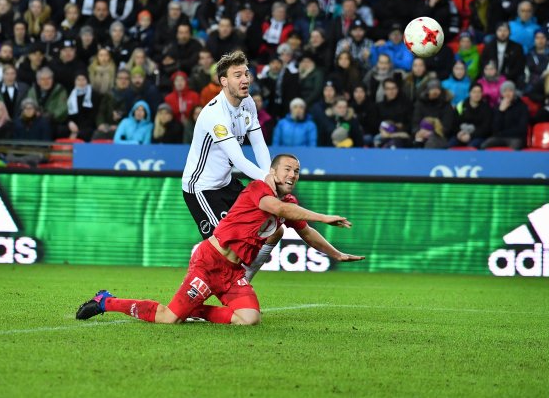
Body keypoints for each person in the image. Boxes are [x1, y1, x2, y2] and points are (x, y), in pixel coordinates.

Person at [76, 154, 364, 325]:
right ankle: (106, 301)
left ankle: (196, 309)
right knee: (169, 318)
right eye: (287, 169)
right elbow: (279, 209)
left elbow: (306, 232)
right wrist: (325, 216)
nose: (292, 174)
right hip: (209, 263)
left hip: (232, 273)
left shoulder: (288, 201)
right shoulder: (258, 189)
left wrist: (336, 254)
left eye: (297, 171)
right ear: (273, 172)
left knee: (250, 319)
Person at [181, 50, 276, 282]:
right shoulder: (215, 114)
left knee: (270, 227)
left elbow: (259, 144)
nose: (245, 80)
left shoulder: (248, 103)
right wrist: (267, 180)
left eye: (246, 73)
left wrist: (268, 175)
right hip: (202, 188)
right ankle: (192, 288)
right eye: (237, 75)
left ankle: (242, 282)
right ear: (223, 81)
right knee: (224, 247)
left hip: (226, 182)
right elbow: (239, 160)